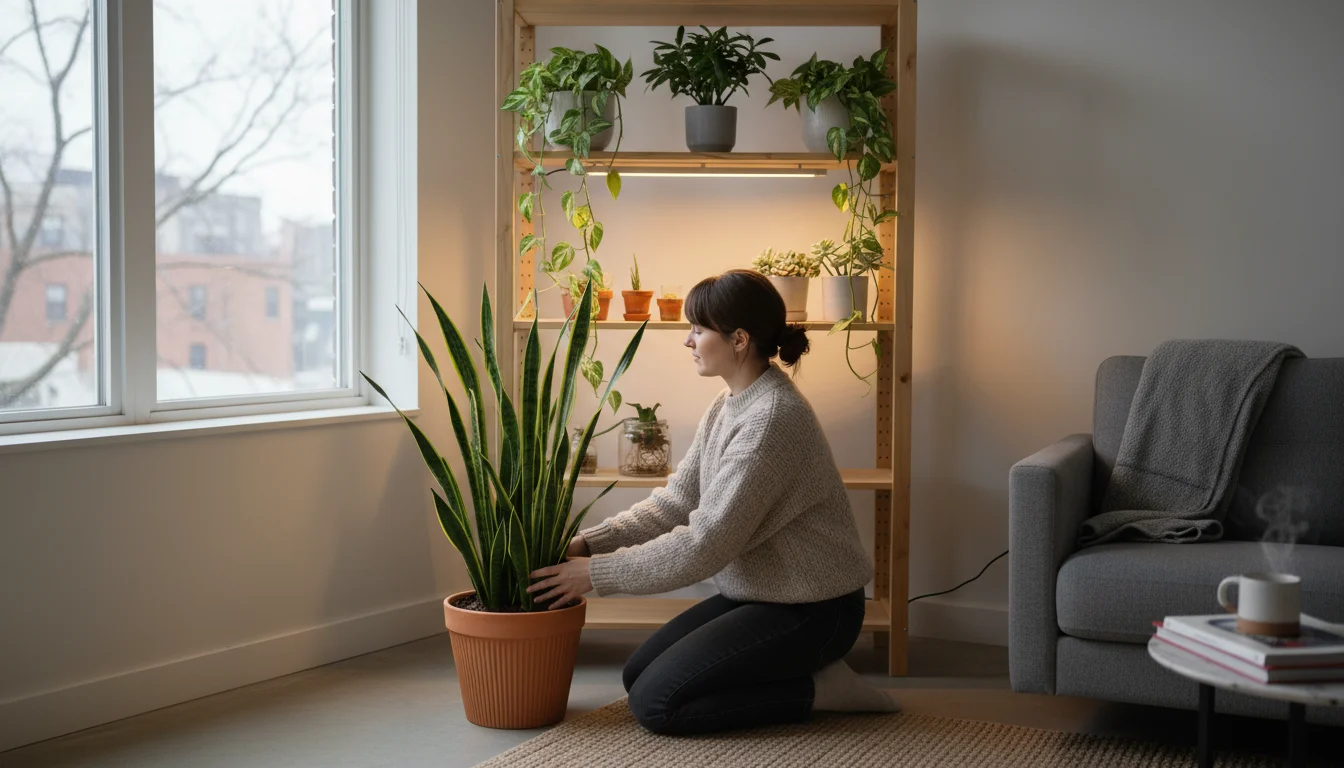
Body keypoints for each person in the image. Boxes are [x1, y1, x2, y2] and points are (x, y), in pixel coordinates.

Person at [527, 268, 898, 735]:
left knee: (657, 705)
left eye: (698, 329)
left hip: (816, 610)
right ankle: (800, 673)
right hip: (763, 595)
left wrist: (595, 575)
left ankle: (816, 689)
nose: (688, 341)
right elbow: (677, 502)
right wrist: (589, 544)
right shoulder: (729, 405)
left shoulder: (771, 421)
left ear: (739, 339)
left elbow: (705, 544)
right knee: (636, 675)